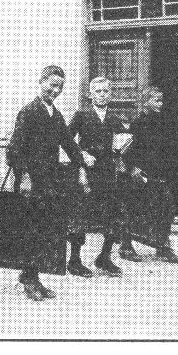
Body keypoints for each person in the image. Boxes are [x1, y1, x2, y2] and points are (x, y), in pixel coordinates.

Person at [6, 65, 89, 301]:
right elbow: (14, 151)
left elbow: (69, 143)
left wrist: (81, 166)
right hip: (31, 182)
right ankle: (30, 280)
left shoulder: (56, 114)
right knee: (32, 231)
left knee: (44, 230)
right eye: (52, 85)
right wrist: (25, 178)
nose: (55, 90)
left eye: (60, 87)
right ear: (40, 82)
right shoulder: (29, 112)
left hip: (49, 181)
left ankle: (31, 275)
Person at [68, 77, 130, 277]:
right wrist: (82, 155)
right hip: (87, 172)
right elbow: (67, 140)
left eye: (105, 91)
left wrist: (123, 146)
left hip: (108, 172)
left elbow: (123, 143)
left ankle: (104, 257)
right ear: (90, 94)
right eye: (98, 91)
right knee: (81, 215)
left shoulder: (114, 118)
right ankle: (74, 260)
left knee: (113, 214)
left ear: (110, 94)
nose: (102, 95)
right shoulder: (82, 115)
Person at [118, 86, 178, 264]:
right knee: (133, 208)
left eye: (161, 100)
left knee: (166, 207)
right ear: (146, 103)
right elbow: (125, 149)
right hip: (141, 173)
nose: (160, 104)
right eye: (156, 100)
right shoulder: (138, 123)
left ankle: (162, 246)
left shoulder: (162, 122)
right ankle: (126, 246)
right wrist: (133, 169)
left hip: (158, 172)